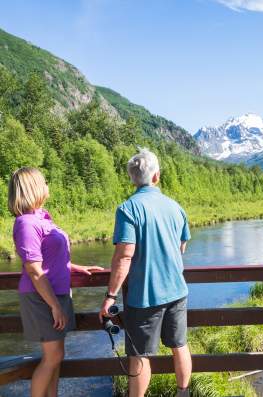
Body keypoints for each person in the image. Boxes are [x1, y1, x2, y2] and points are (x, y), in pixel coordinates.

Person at [99, 149, 192, 397]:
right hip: (177, 290)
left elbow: (124, 256)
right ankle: (183, 394)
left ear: (132, 178)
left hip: (144, 296)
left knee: (139, 356)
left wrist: (110, 295)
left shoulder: (128, 209)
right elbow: (181, 246)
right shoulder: (175, 207)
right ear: (156, 176)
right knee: (180, 346)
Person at [9, 167, 103, 397]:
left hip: (56, 294)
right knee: (53, 357)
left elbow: (51, 258)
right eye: (44, 182)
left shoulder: (42, 217)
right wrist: (54, 306)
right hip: (42, 297)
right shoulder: (26, 224)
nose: (47, 185)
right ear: (33, 188)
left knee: (57, 357)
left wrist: (76, 267)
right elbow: (34, 269)